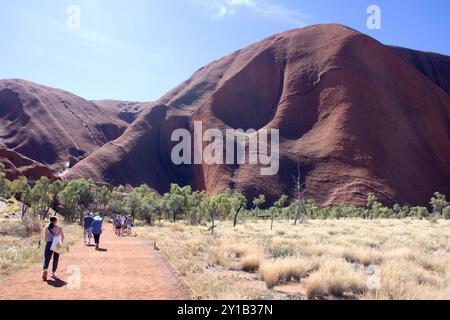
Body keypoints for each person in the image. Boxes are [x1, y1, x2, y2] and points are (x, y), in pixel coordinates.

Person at [42, 216, 65, 281]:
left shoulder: (47, 228)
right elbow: (63, 236)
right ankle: (53, 273)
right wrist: (60, 243)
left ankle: (45, 269)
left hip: (49, 243)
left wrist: (48, 243)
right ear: (56, 221)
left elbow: (45, 239)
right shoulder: (59, 228)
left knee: (47, 257)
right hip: (57, 243)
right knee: (56, 258)